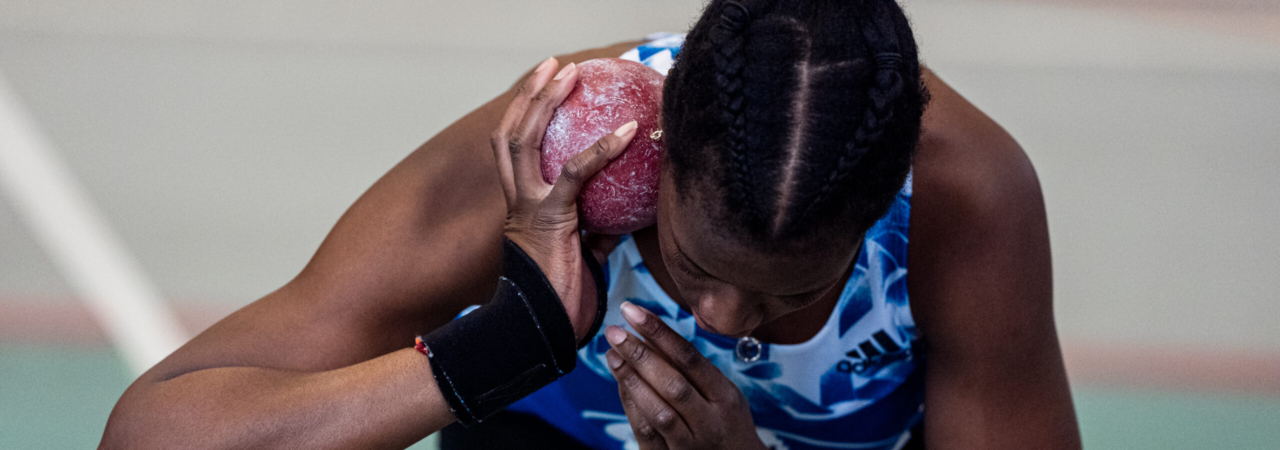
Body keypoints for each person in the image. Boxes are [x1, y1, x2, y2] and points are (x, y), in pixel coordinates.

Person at [100, 0, 1081, 449]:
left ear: (879, 209)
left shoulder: (959, 201)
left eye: (793, 289)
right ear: (654, 156)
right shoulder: (563, 150)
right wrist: (496, 350)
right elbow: (152, 437)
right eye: (694, 263)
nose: (727, 322)